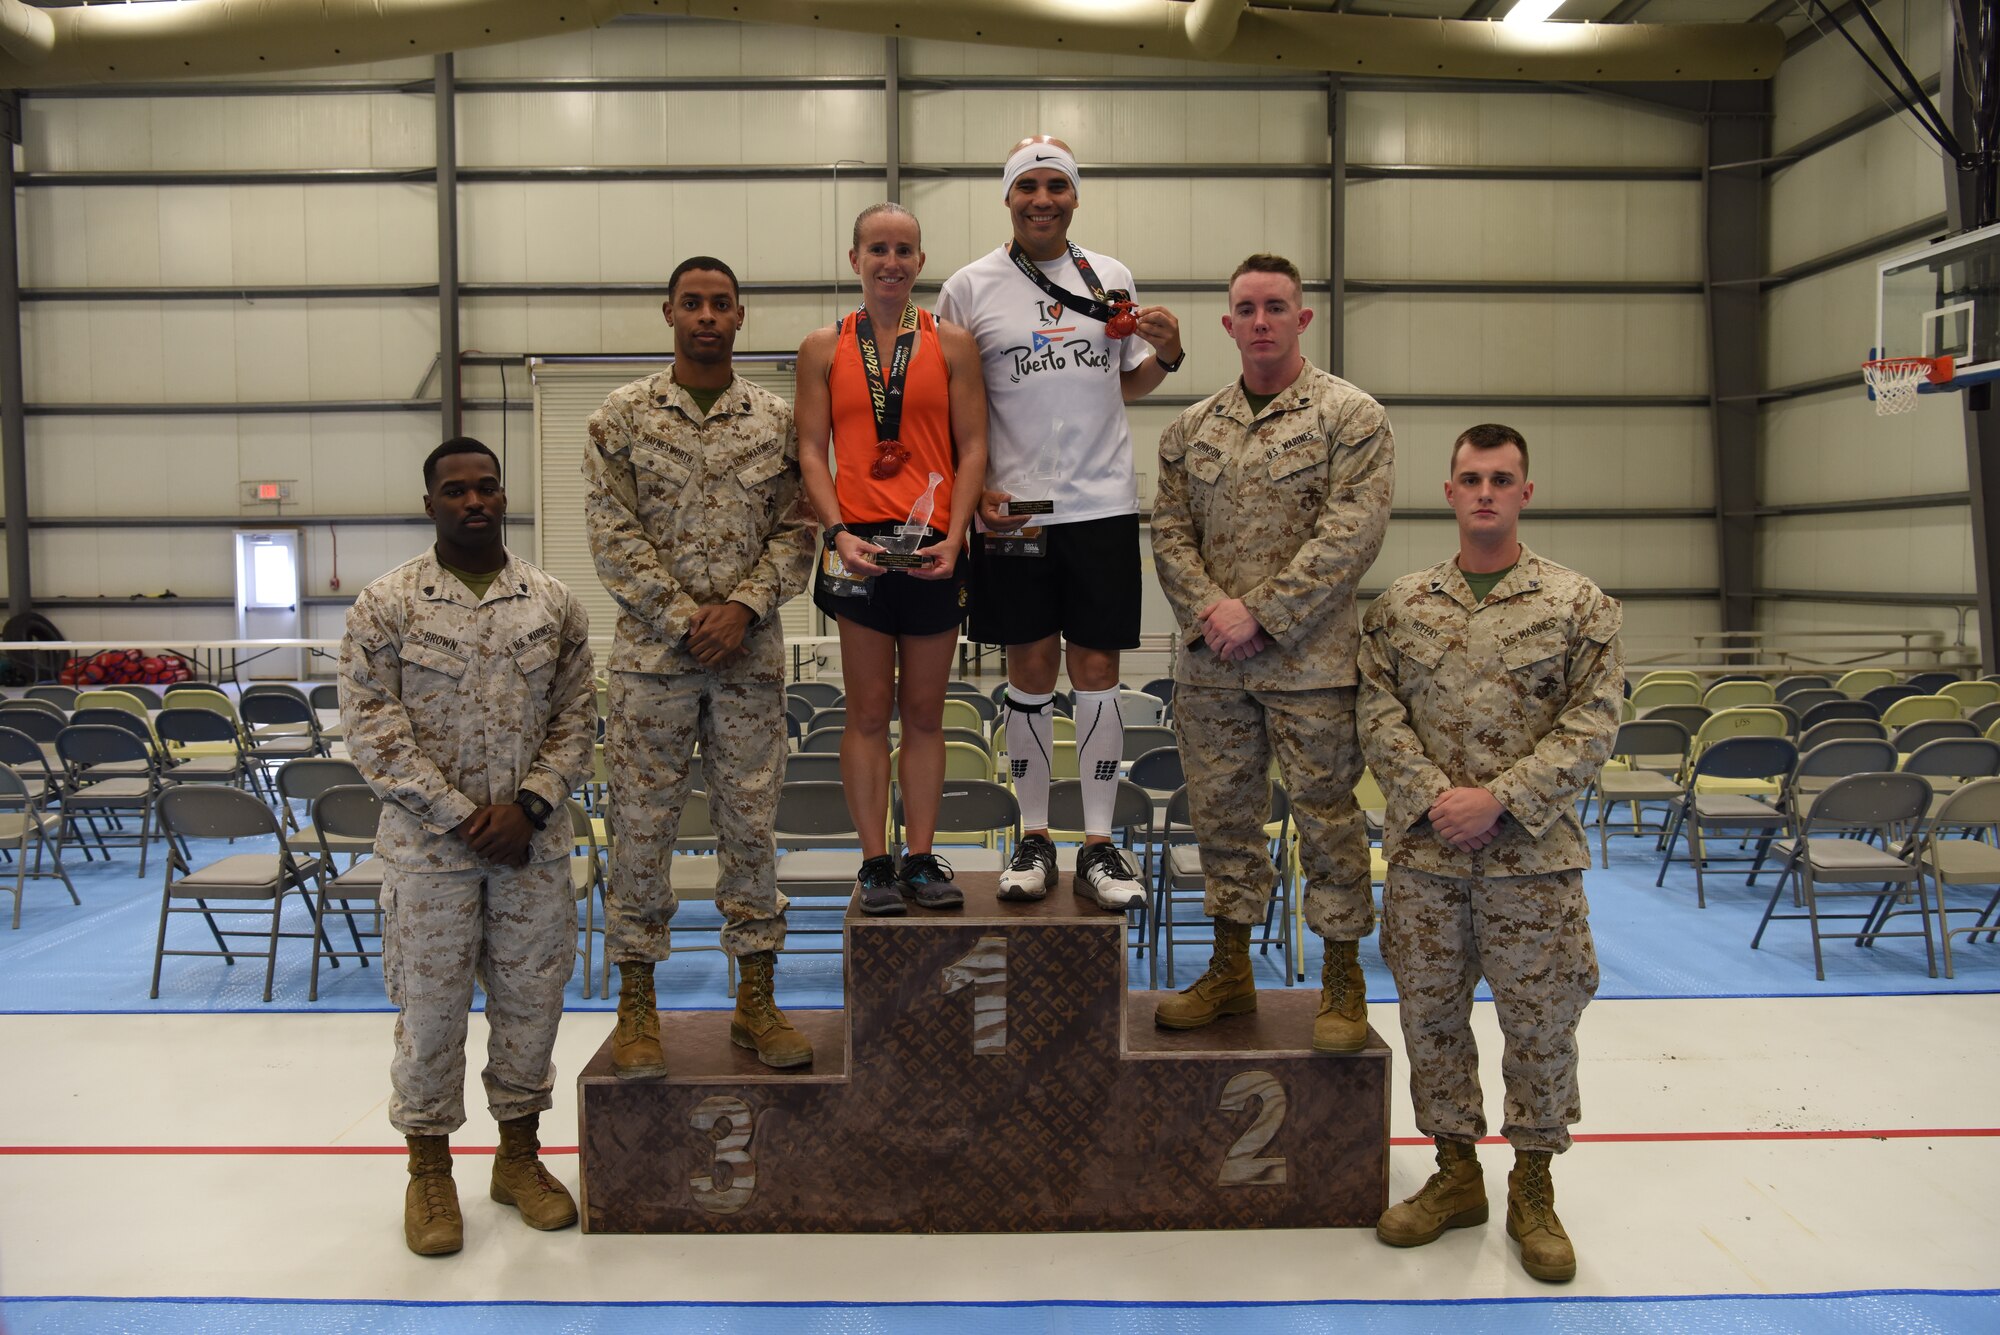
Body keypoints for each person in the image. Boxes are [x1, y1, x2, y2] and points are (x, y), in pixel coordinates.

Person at [1356, 423, 1624, 1284]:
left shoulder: (1578, 605)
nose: (1485, 492)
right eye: (1470, 477)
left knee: (1541, 1026)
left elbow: (1594, 722)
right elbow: (1377, 714)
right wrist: (1441, 801)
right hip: (1430, 858)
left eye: (1501, 479)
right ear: (1448, 491)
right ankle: (1455, 1173)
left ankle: (1534, 1188)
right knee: (1430, 1019)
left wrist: (1500, 800)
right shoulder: (1401, 607)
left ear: (1525, 493)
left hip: (1533, 862)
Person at [339, 436, 595, 1257]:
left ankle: (518, 1158)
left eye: (486, 487)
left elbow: (576, 719)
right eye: (456, 490)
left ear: (503, 495)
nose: (474, 501)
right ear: (430, 504)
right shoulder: (386, 606)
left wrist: (527, 806)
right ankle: (429, 1173)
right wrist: (461, 815)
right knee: (430, 1013)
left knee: (531, 1007)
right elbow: (373, 731)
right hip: (429, 858)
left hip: (533, 851)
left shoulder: (552, 602)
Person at [1149, 253, 1393, 1052]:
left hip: (1309, 665)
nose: (1261, 321)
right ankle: (1229, 971)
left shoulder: (1351, 417)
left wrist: (1260, 613)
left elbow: (1351, 533)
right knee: (1222, 820)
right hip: (1212, 665)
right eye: (1247, 309)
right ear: (1227, 325)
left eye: (1276, 307)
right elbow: (1170, 532)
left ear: (1302, 318)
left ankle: (1342, 980)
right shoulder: (1191, 429)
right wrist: (1211, 613)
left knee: (1326, 821)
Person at [935, 135, 1183, 910]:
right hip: (1015, 513)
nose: (1042, 199)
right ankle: (1035, 838)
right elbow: (948, 408)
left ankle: (1101, 847)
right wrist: (970, 497)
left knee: (1101, 674)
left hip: (1102, 504)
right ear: (1007, 198)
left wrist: (1167, 357)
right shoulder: (968, 288)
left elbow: (1125, 384)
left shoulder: (1108, 278)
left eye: (1056, 186)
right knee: (1030, 674)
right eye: (1027, 187)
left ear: (1075, 197)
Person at [584, 256, 818, 1076]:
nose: (707, 316)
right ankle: (637, 1002)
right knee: (642, 833)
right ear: (669, 313)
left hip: (748, 663)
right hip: (653, 665)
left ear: (741, 316)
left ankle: (756, 998)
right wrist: (689, 621)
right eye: (693, 303)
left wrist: (743, 609)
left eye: (721, 304)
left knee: (751, 829)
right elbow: (612, 537)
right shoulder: (621, 417)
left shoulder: (779, 423)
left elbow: (799, 530)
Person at [795, 204, 989, 915]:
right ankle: (875, 860)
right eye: (877, 248)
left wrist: (958, 532)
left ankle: (921, 855)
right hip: (860, 545)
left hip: (934, 542)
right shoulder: (823, 347)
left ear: (919, 260)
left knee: (928, 712)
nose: (891, 261)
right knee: (868, 711)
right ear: (855, 260)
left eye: (904, 249)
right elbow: (812, 452)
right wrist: (838, 531)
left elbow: (973, 449)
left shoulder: (954, 343)